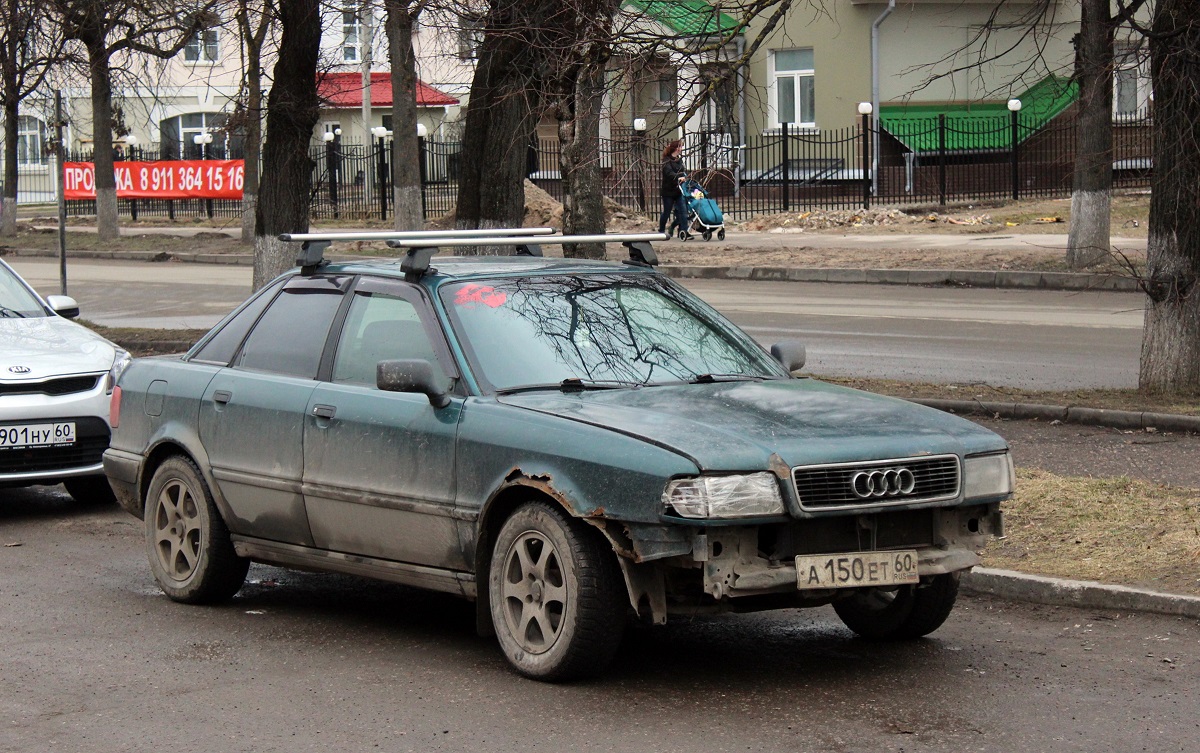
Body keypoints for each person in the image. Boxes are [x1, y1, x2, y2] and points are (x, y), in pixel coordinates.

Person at [658, 140, 692, 240]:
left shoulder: (679, 160)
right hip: (668, 191)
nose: (681, 149)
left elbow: (682, 171)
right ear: (675, 148)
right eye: (680, 147)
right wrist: (677, 177)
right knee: (667, 212)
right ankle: (661, 230)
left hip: (679, 190)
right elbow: (668, 173)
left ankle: (684, 231)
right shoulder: (666, 160)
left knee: (683, 211)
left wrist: (684, 177)